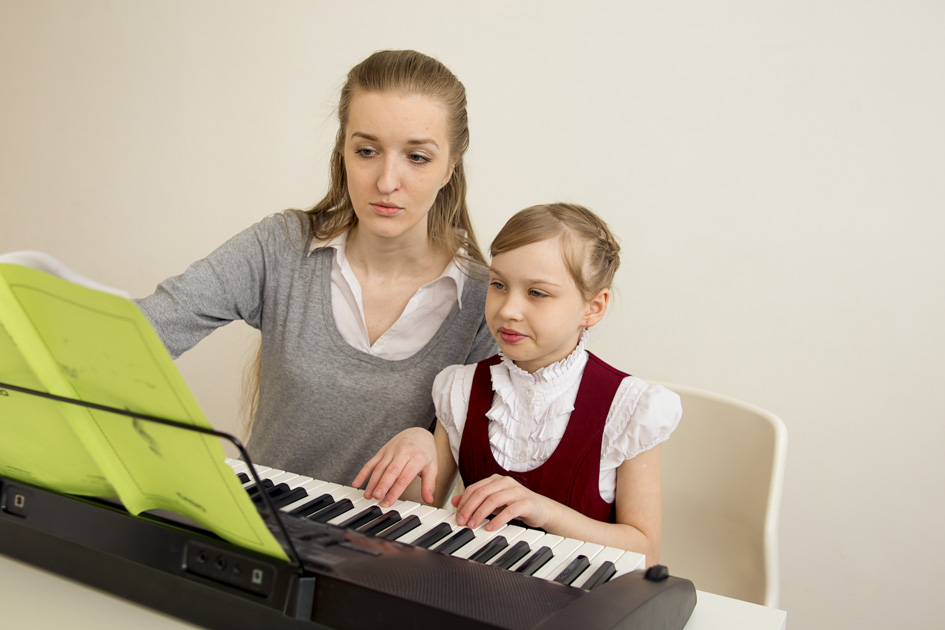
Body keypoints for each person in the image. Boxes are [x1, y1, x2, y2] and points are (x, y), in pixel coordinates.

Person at [136, 50, 497, 486]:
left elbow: (467, 470)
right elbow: (142, 331)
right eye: (366, 151)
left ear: (449, 168)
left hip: (389, 549)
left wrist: (432, 444)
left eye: (417, 157)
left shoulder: (487, 299)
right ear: (342, 151)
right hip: (264, 536)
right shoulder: (281, 246)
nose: (386, 181)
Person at [354, 203, 681, 565]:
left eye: (537, 293)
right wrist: (419, 444)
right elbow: (422, 514)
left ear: (593, 307)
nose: (508, 309)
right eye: (498, 285)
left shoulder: (631, 408)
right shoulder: (460, 388)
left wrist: (546, 512)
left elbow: (645, 551)